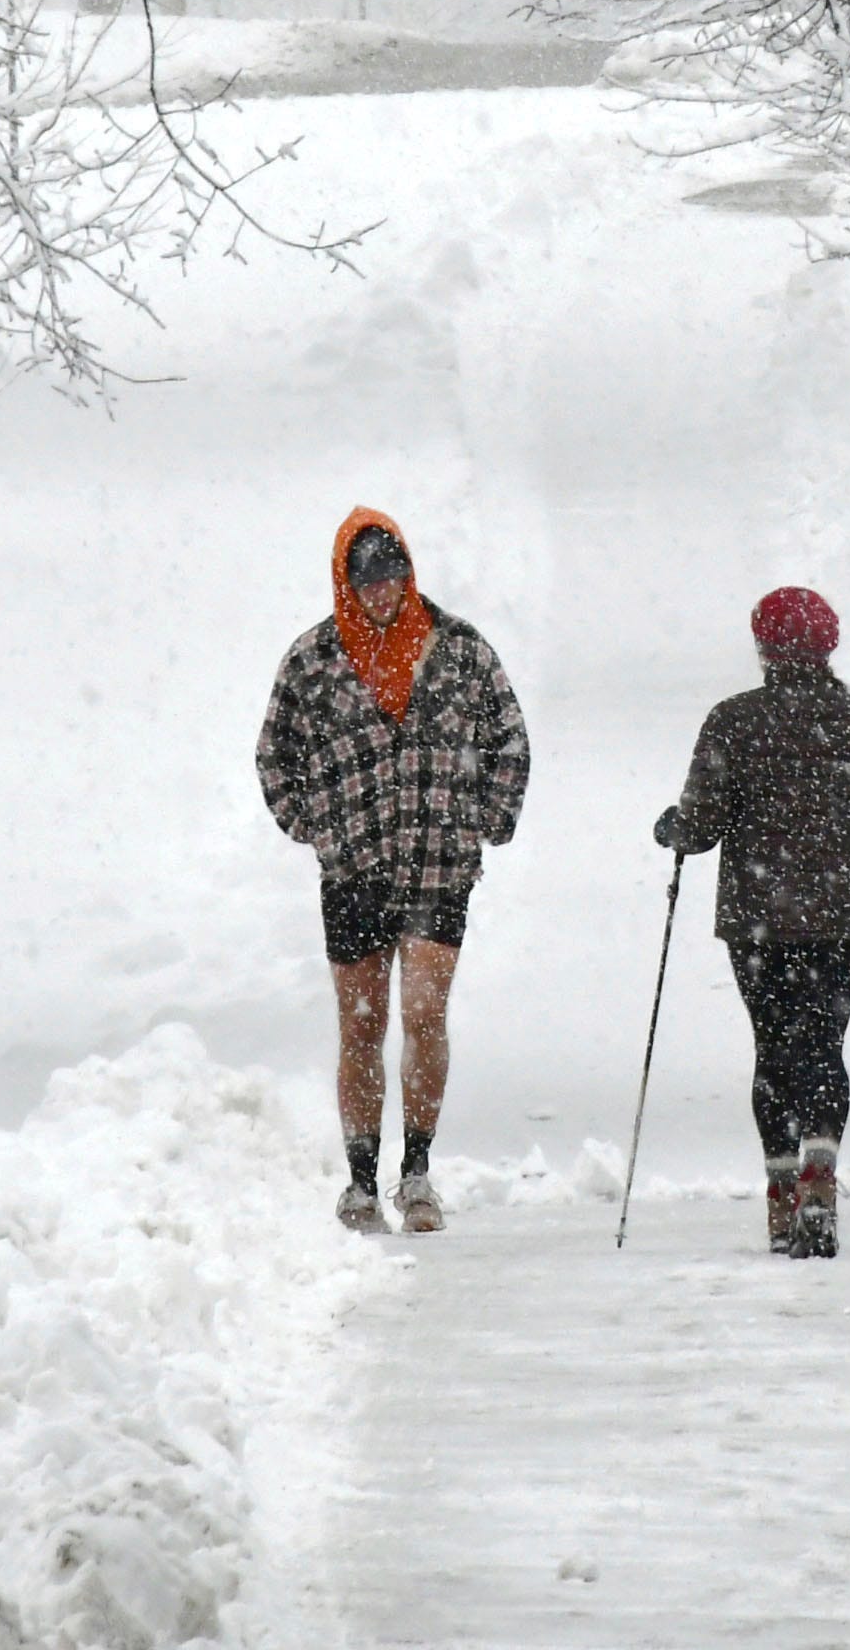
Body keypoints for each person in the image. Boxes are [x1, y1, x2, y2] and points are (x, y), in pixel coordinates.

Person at [257, 508, 531, 1234]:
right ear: (347, 584)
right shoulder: (312, 662)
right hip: (355, 870)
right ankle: (358, 1178)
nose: (384, 593)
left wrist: (486, 821)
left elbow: (510, 740)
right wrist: (314, 826)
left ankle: (417, 1172)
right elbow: (273, 754)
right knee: (362, 1023)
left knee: (423, 1014)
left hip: (440, 865)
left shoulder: (461, 651)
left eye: (395, 576)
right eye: (370, 581)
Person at [653, 585, 850, 1259]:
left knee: (774, 1047)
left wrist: (671, 829)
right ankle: (820, 1173)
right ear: (830, 646)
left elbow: (701, 825)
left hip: (757, 920)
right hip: (839, 921)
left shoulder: (733, 723)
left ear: (762, 647)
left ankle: (780, 1193)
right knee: (824, 1043)